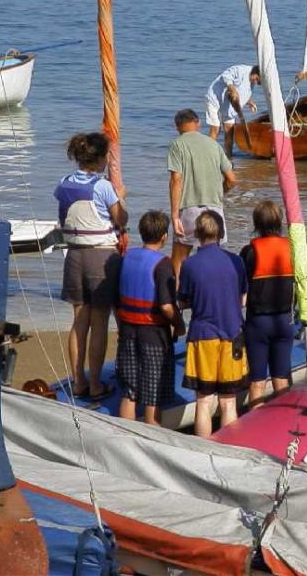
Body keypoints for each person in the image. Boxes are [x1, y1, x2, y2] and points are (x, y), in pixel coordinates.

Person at [54, 132, 128, 401]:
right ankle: (95, 382)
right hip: (101, 255)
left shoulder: (63, 184)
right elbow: (121, 218)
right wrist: (121, 197)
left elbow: (64, 216)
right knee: (99, 321)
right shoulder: (103, 186)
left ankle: (78, 380)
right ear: (99, 158)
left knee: (79, 320)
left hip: (74, 255)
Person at [178, 211, 248, 437]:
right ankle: (230, 450)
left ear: (197, 234)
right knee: (228, 402)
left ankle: (204, 449)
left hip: (203, 335)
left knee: (204, 401)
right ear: (221, 233)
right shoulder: (236, 261)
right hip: (232, 334)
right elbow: (243, 299)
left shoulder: (189, 265)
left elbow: (183, 300)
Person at [116, 210, 185, 426]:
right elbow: (166, 306)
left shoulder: (127, 257)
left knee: (129, 391)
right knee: (153, 393)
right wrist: (180, 325)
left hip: (127, 329)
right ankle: (152, 437)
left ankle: (125, 435)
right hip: (153, 332)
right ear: (164, 236)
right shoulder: (163, 264)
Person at [167, 108, 237, 276]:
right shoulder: (214, 144)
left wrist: (175, 215)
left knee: (179, 260)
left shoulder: (178, 144)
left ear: (178, 127)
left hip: (190, 210)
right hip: (215, 211)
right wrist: (220, 193)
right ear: (197, 123)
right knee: (212, 259)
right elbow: (232, 179)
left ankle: (177, 298)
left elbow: (176, 179)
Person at [239, 201, 294, 407]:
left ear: (256, 224)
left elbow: (241, 287)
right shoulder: (292, 248)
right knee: (281, 381)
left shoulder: (250, 252)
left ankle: (256, 429)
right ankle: (284, 427)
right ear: (279, 222)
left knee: (257, 383)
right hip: (284, 321)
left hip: (258, 324)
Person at [205, 64, 261, 157]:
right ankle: (207, 155)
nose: (255, 82)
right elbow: (226, 75)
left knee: (229, 131)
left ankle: (228, 157)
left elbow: (242, 93)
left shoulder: (252, 83)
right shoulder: (241, 70)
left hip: (230, 106)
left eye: (258, 82)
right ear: (256, 73)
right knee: (216, 128)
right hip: (215, 97)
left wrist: (249, 102)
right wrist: (231, 87)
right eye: (257, 79)